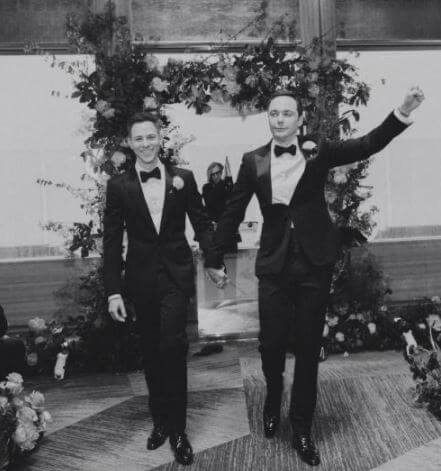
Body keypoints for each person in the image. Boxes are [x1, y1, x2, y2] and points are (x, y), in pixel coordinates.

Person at [205, 87, 424, 466]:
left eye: (287, 113)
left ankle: (302, 427)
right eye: (274, 113)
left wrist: (402, 112)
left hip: (314, 263)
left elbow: (367, 144)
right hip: (273, 265)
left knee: (308, 349)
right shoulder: (252, 160)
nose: (279, 120)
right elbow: (233, 211)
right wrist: (214, 257)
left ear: (299, 118)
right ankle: (273, 396)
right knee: (271, 344)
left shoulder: (318, 150)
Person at [103, 112, 213, 466]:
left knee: (173, 345)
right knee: (151, 351)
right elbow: (111, 241)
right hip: (141, 280)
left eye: (151, 136)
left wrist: (214, 260)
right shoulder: (118, 186)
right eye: (139, 138)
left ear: (160, 138)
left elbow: (201, 223)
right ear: (129, 143)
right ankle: (160, 420)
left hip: (176, 277)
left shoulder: (183, 178)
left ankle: (179, 430)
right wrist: (113, 291)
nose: (146, 144)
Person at [202, 161, 240, 252]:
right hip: (213, 227)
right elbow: (210, 202)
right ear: (210, 175)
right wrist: (222, 184)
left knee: (231, 256)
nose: (216, 176)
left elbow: (233, 201)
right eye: (213, 174)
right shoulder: (207, 187)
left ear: (221, 173)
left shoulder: (227, 186)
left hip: (228, 227)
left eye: (218, 173)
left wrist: (229, 180)